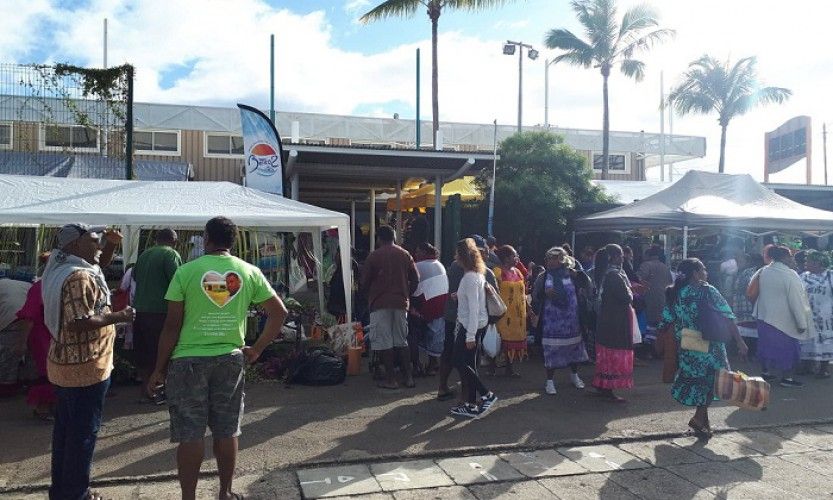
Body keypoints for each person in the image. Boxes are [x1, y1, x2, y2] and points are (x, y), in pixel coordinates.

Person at [148, 216, 287, 500]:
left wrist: (158, 369)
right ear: (232, 241)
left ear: (207, 239)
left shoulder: (185, 272)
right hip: (230, 359)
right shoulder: (248, 271)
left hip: (187, 361)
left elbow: (171, 326)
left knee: (190, 433)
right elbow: (279, 313)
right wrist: (257, 348)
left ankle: (189, 497)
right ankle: (225, 492)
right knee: (226, 430)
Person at [41, 223, 136, 500]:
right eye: (94, 241)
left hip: (65, 366)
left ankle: (61, 491)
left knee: (65, 433)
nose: (99, 246)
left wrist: (111, 244)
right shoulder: (78, 277)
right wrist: (118, 316)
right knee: (82, 434)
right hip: (84, 368)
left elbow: (98, 265)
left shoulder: (64, 266)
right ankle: (76, 494)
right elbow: (77, 322)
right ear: (75, 245)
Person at [659, 258, 748, 437]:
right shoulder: (707, 290)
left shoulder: (675, 292)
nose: (706, 273)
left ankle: (704, 424)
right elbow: (728, 315)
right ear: (695, 273)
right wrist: (740, 341)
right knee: (713, 381)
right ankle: (699, 418)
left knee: (700, 382)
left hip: (687, 343)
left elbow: (665, 320)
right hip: (709, 343)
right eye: (704, 269)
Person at [438, 235, 497, 402]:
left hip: (457, 318)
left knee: (452, 355)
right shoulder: (484, 272)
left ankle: (446, 388)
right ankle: (470, 397)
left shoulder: (455, 269)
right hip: (472, 322)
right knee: (469, 360)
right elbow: (480, 303)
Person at [361, 225, 419, 390]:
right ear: (394, 237)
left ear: (379, 238)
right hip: (401, 303)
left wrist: (368, 297)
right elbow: (415, 279)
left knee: (385, 341)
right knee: (402, 340)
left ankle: (391, 379)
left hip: (380, 303)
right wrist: (407, 294)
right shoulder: (405, 254)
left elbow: (364, 282)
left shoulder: (374, 256)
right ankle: (408, 378)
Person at [132, 228, 182, 402]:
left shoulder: (144, 255)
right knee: (162, 354)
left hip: (139, 310)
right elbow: (178, 281)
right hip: (161, 311)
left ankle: (146, 391)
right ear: (174, 241)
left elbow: (135, 277)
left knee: (144, 354)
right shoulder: (171, 255)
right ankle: (159, 391)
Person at [532, 247, 588, 395]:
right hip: (552, 322)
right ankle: (549, 381)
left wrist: (579, 275)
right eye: (549, 258)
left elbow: (587, 285)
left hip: (572, 320)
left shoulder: (571, 274)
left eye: (554, 258)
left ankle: (574, 375)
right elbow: (535, 296)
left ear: (562, 259)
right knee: (552, 351)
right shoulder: (543, 277)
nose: (550, 261)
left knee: (574, 348)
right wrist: (545, 294)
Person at [754, 245, 812, 387]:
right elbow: (796, 300)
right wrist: (802, 323)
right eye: (791, 256)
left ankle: (766, 373)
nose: (793, 259)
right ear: (785, 258)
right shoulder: (789, 274)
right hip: (784, 320)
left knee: (766, 347)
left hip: (763, 316)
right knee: (789, 350)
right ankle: (787, 379)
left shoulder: (763, 271)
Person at [591, 244, 634, 402]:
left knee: (606, 351)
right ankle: (608, 388)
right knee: (614, 351)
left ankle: (602, 385)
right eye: (621, 255)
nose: (623, 259)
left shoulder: (604, 273)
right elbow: (625, 297)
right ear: (614, 257)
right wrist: (631, 292)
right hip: (615, 320)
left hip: (607, 318)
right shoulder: (614, 276)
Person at [16, 253, 56, 420]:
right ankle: (43, 408)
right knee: (46, 372)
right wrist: (22, 343)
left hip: (54, 334)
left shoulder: (54, 284)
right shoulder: (40, 287)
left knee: (53, 371)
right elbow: (28, 317)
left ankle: (50, 407)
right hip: (42, 336)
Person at [411, 242, 448, 376]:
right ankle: (434, 362)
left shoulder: (418, 266)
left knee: (414, 333)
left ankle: (417, 365)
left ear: (425, 253)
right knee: (435, 335)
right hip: (441, 304)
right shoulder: (439, 264)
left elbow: (412, 286)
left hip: (427, 305)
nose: (415, 254)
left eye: (418, 251)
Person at [491, 245, 527, 377]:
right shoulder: (497, 272)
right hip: (502, 312)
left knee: (512, 340)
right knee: (498, 339)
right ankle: (492, 367)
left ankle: (509, 368)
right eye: (514, 255)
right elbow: (492, 293)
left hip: (518, 315)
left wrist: (529, 309)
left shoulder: (518, 272)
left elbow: (524, 292)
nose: (517, 258)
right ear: (506, 258)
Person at [799, 250, 833, 377]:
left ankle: (823, 369)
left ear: (818, 263)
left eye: (809, 261)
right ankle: (806, 366)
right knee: (806, 340)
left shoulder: (830, 276)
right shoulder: (803, 276)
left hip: (826, 316)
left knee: (826, 342)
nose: (806, 263)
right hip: (807, 315)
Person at [638, 246, 673, 342]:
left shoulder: (645, 265)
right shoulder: (665, 267)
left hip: (649, 299)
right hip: (663, 298)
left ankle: (649, 347)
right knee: (659, 324)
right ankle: (659, 346)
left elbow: (639, 279)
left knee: (650, 324)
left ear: (649, 255)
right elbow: (670, 282)